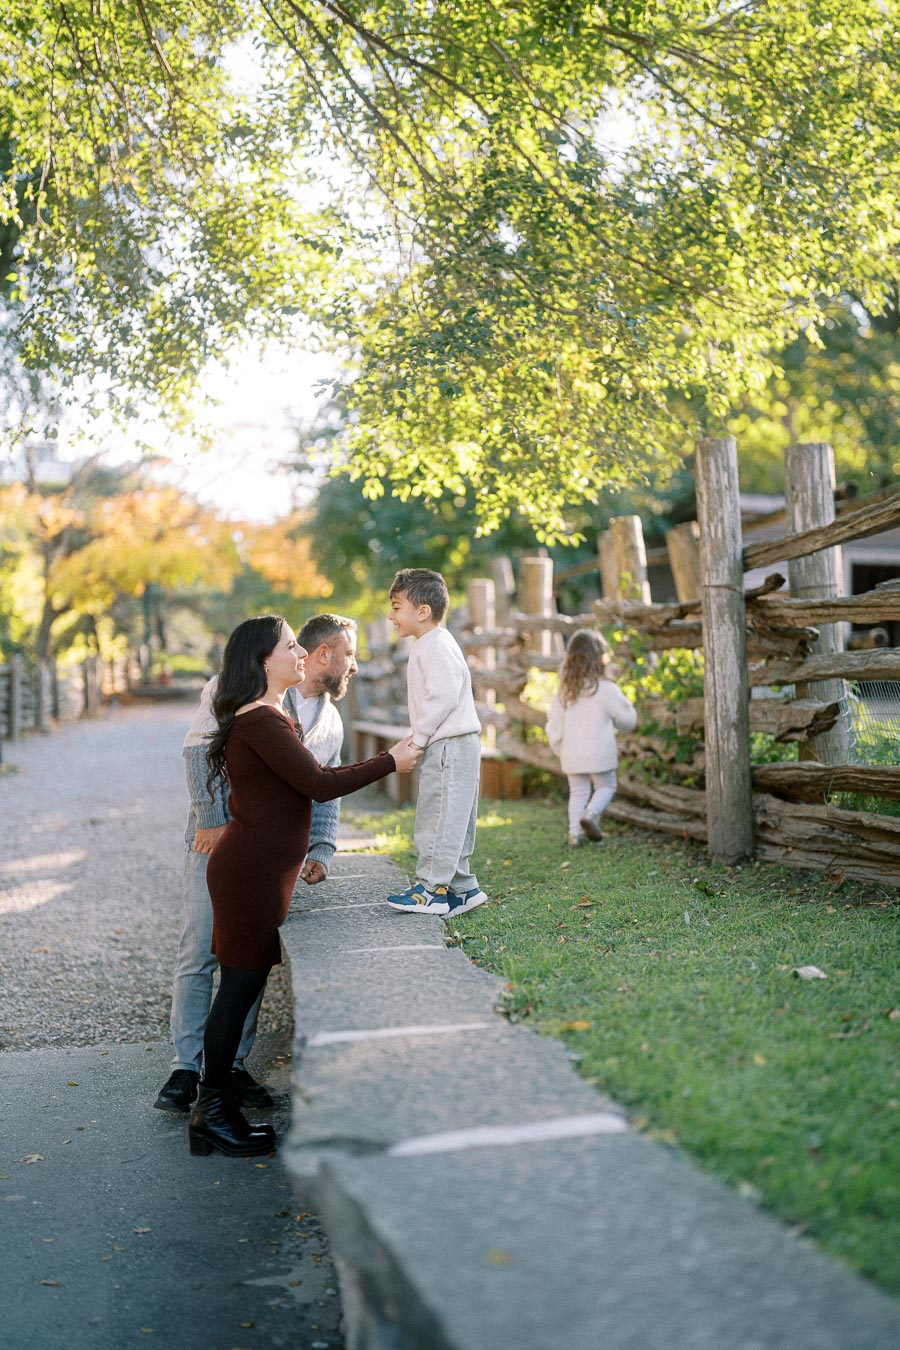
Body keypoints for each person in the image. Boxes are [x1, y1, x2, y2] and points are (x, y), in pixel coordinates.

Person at [188, 614, 420, 1158]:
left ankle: (215, 1107)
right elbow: (318, 784)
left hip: (259, 874)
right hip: (249, 875)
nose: (300, 653)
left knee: (241, 992)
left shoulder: (267, 716)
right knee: (236, 994)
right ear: (263, 662)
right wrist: (392, 759)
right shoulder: (263, 720)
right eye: (291, 646)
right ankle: (211, 1111)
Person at [153, 614, 359, 1117]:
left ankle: (231, 1067)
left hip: (265, 857)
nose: (354, 665)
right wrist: (213, 821)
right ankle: (186, 1067)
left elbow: (321, 788)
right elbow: (197, 753)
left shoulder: (328, 721)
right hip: (215, 838)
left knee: (246, 960)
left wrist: (321, 849)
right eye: (349, 654)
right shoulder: (238, 686)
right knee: (199, 949)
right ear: (322, 653)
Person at [385, 568, 487, 918]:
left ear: (422, 611)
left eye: (397, 607)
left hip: (448, 745)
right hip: (458, 743)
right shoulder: (434, 643)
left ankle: (431, 890)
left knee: (439, 814)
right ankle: (463, 888)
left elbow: (441, 697)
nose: (391, 616)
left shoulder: (434, 645)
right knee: (455, 815)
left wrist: (419, 740)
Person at [545, 629, 637, 846]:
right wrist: (628, 716)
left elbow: (554, 723)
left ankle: (575, 833)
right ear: (600, 658)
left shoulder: (565, 692)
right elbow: (627, 720)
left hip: (572, 753)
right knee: (606, 786)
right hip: (599, 752)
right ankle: (591, 814)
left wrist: (559, 747)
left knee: (578, 791)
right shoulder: (607, 690)